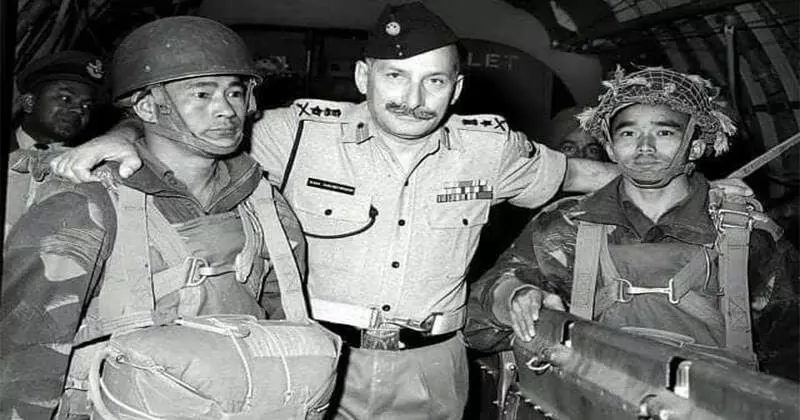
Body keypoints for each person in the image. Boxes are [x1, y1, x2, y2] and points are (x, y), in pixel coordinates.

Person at [47, 6, 752, 418]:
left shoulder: (491, 148)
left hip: (435, 369)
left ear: (456, 88)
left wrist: (703, 186)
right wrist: (119, 137)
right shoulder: (294, 134)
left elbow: (586, 173)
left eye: (434, 82)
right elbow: (192, 129)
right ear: (364, 77)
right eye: (395, 78)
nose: (414, 100)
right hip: (322, 360)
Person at [0, 17, 312, 419]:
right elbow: (23, 363)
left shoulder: (263, 204)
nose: (226, 110)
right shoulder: (84, 206)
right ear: (147, 106)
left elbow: (282, 333)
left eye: (234, 92)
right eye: (202, 94)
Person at [467, 66, 799, 380]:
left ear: (696, 146)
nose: (644, 147)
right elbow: (475, 323)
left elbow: (791, 349)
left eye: (664, 132)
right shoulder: (566, 225)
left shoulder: (747, 234)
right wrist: (513, 296)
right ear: (611, 149)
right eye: (628, 133)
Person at [5, 51, 106, 236]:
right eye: (66, 98)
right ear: (29, 102)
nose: (79, 110)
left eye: (87, 105)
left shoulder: (88, 168)